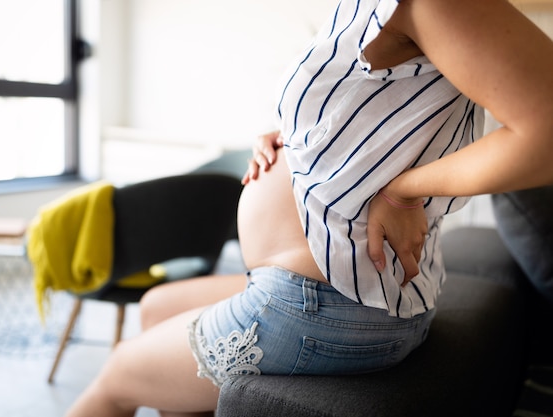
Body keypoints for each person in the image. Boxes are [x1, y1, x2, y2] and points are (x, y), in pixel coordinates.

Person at [66, 0, 553, 415]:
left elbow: (545, 135)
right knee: (154, 307)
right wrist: (299, 140)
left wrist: (405, 189)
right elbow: (384, 112)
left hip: (329, 302)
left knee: (115, 377)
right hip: (322, 286)